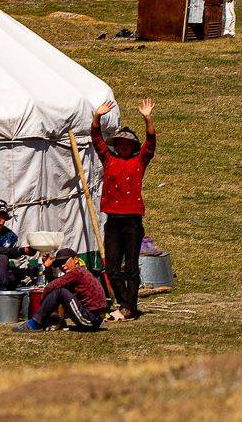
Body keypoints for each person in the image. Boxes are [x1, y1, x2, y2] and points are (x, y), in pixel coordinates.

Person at [92, 96, 156, 319]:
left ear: (133, 147)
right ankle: (124, 304)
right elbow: (96, 139)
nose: (123, 146)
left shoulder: (139, 161)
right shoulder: (109, 159)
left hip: (132, 221)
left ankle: (129, 306)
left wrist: (148, 119)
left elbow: (151, 142)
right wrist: (97, 116)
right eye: (119, 143)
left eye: (127, 144)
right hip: (113, 220)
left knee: (131, 267)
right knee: (111, 267)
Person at [15, 247, 107, 331]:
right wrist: (48, 268)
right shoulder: (79, 273)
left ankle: (35, 323)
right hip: (92, 318)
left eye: (65, 261)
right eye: (60, 263)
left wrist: (43, 300)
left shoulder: (77, 272)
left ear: (75, 259)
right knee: (59, 290)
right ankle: (54, 320)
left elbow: (51, 287)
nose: (62, 265)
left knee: (61, 291)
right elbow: (56, 284)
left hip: (91, 319)